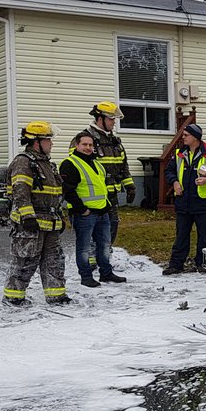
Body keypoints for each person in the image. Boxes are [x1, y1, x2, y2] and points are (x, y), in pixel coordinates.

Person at [3, 121, 70, 306]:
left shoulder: (47, 164)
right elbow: (20, 191)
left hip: (50, 222)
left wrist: (60, 217)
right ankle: (13, 297)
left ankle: (56, 295)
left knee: (54, 260)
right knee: (26, 261)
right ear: (36, 142)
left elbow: (55, 195)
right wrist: (27, 217)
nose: (51, 143)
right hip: (31, 224)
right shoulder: (23, 162)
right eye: (48, 140)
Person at [60, 131, 127, 288]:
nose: (88, 148)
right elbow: (67, 190)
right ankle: (86, 276)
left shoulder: (96, 163)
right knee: (83, 248)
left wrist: (107, 206)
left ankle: (106, 273)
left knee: (104, 245)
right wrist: (82, 209)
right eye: (84, 144)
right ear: (77, 145)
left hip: (102, 212)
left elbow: (101, 187)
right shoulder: (70, 164)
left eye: (90, 145)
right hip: (84, 214)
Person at [163, 122, 206, 275]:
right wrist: (174, 182)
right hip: (183, 201)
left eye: (186, 135)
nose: (183, 137)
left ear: (196, 138)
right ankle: (176, 264)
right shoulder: (179, 153)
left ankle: (202, 263)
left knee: (203, 236)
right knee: (181, 235)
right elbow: (169, 170)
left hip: (203, 202)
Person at [86, 101, 136, 248]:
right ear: (100, 119)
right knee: (93, 229)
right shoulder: (85, 140)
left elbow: (123, 165)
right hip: (92, 197)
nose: (114, 122)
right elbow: (78, 169)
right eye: (111, 119)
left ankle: (105, 257)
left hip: (111, 195)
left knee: (112, 225)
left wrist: (130, 186)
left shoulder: (115, 141)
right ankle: (91, 261)